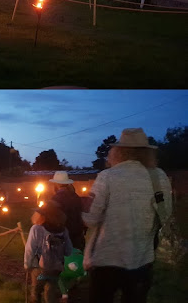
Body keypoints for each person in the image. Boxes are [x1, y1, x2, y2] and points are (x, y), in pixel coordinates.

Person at [82, 128, 172, 303]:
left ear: (117, 151)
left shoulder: (106, 177)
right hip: (142, 259)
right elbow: (165, 215)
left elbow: (89, 218)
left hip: (106, 260)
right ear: (147, 152)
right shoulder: (159, 177)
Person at [24, 202, 73, 303]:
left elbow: (30, 249)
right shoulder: (63, 230)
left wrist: (27, 264)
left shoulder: (36, 228)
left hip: (40, 269)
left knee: (36, 292)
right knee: (50, 293)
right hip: (56, 269)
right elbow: (68, 251)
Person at [49, 171, 85, 251]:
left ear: (56, 184)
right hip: (78, 239)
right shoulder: (76, 197)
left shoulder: (56, 199)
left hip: (64, 241)